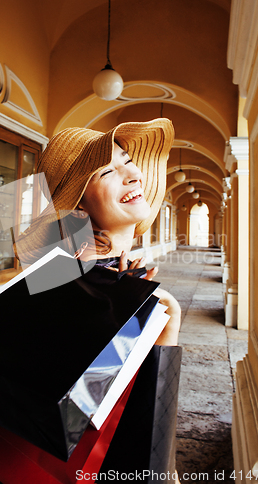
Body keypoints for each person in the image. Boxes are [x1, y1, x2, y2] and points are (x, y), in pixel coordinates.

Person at [14, 118, 181, 346]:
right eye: (106, 172)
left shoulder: (105, 275)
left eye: (128, 160)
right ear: (78, 203)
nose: (134, 175)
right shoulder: (79, 286)